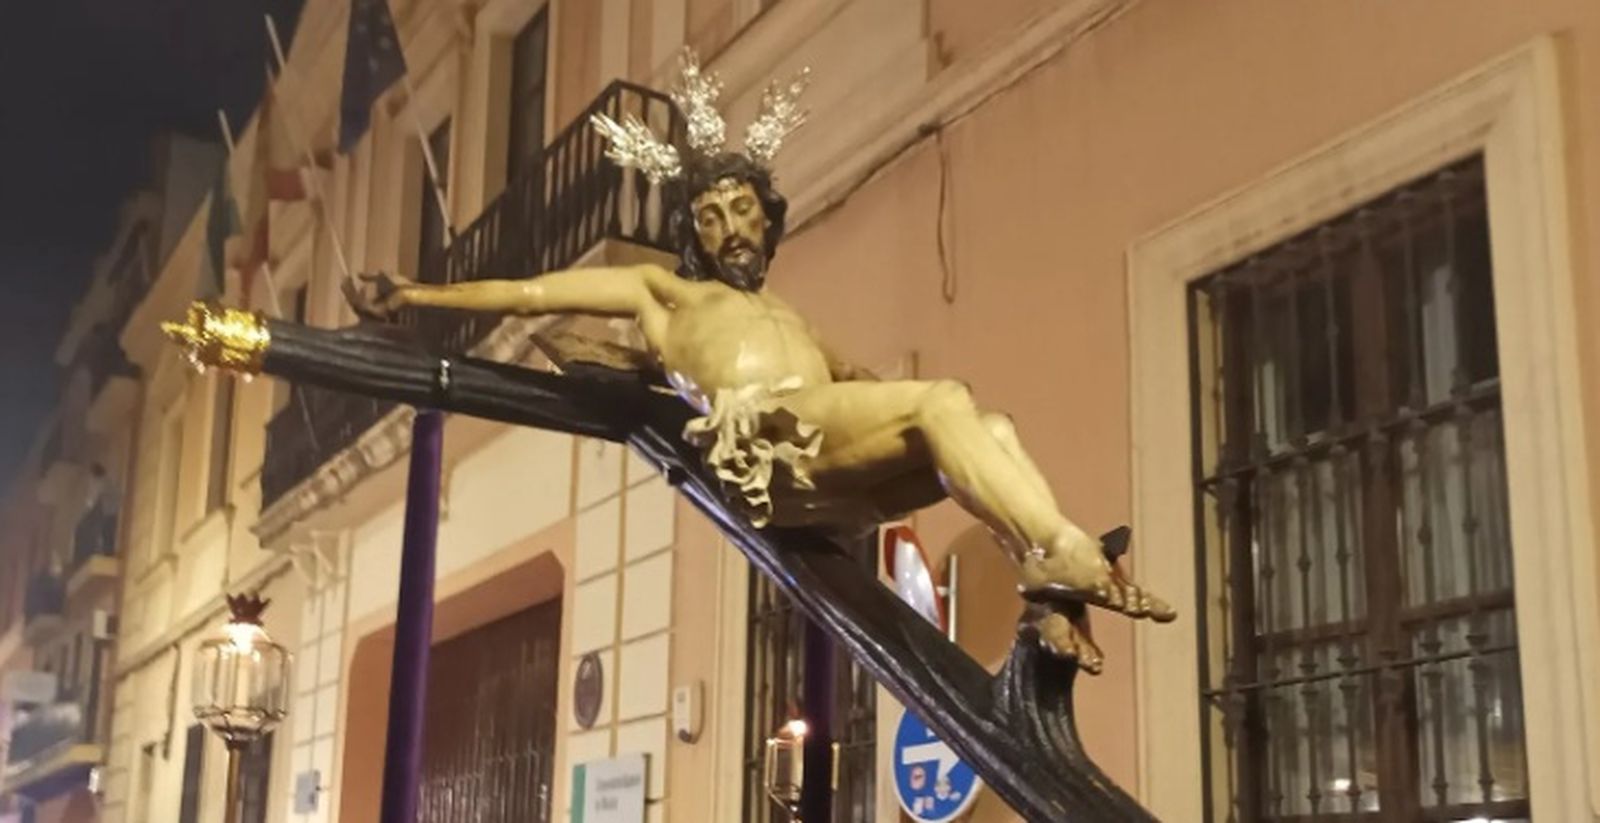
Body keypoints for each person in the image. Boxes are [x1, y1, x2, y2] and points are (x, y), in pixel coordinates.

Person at [343, 51, 1172, 668]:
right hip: (766, 449)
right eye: (709, 216)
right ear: (692, 233)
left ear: (768, 222)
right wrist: (418, 297)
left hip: (827, 459)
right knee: (946, 398)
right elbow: (531, 297)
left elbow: (867, 391)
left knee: (987, 422)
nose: (729, 227)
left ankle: (1050, 590)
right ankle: (1060, 548)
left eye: (742, 210)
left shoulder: (790, 318)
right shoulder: (660, 293)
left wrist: (930, 426)